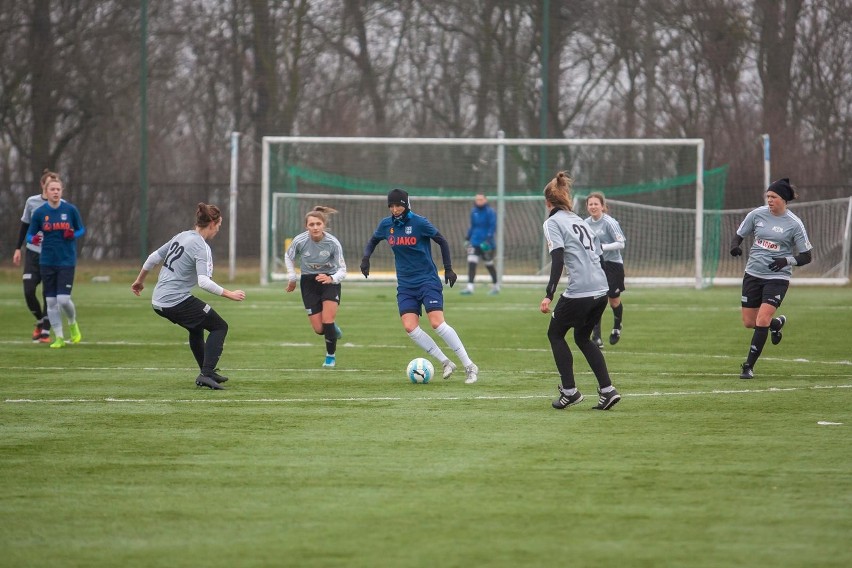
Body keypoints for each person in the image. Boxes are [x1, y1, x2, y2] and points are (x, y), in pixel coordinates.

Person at [360, 188, 479, 384]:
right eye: (391, 205)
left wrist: (448, 269)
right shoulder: (386, 225)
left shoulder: (419, 222)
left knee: (436, 323)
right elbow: (373, 241)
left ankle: (469, 366)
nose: (395, 209)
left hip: (427, 280)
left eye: (398, 205)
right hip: (405, 285)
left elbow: (442, 241)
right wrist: (366, 258)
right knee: (410, 327)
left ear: (406, 205)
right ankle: (446, 362)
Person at [131, 203, 246, 390]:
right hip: (174, 300)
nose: (218, 229)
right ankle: (206, 374)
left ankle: (207, 370)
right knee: (219, 326)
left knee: (197, 328)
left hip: (159, 300)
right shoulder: (202, 247)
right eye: (219, 226)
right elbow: (204, 282)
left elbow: (153, 257)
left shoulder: (182, 235)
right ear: (212, 224)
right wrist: (229, 294)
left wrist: (139, 280)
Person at [540, 171, 621, 410]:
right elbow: (598, 254)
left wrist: (549, 293)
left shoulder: (552, 222)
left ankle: (570, 391)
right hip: (601, 288)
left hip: (581, 290)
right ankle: (607, 390)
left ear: (547, 203)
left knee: (555, 334)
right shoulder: (577, 219)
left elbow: (557, 258)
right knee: (582, 337)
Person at [730, 178, 813, 380]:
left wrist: (786, 260)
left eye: (773, 197)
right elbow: (739, 234)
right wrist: (735, 246)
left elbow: (806, 256)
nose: (769, 200)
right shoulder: (756, 215)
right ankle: (775, 325)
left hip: (777, 278)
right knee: (750, 322)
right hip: (753, 274)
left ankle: (748, 366)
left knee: (762, 318)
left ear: (783, 199)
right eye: (767, 196)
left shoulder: (794, 224)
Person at [25, 172, 85, 348]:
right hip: (46, 261)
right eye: (52, 189)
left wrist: (72, 234)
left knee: (63, 300)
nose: (56, 192)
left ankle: (73, 324)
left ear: (62, 191)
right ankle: (58, 337)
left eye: (58, 189)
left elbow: (81, 230)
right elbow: (30, 234)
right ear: (46, 191)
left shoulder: (70, 210)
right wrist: (32, 240)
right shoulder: (39, 213)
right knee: (51, 301)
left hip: (66, 261)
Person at [285, 206, 347, 368]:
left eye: (318, 224)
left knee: (327, 320)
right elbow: (288, 256)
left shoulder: (333, 243)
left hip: (329, 282)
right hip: (308, 283)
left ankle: (330, 357)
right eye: (311, 224)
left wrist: (331, 278)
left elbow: (343, 269)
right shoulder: (299, 241)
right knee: (320, 329)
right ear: (306, 226)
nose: (315, 227)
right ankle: (333, 329)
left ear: (324, 225)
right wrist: (292, 277)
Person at [12, 169, 56, 343]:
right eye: (50, 184)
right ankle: (40, 321)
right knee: (29, 291)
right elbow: (25, 227)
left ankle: (45, 330)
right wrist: (17, 248)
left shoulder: (62, 206)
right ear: (43, 185)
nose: (53, 189)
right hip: (33, 253)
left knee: (48, 294)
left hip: (52, 256)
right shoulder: (32, 202)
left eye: (56, 185)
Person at [584, 192, 627, 347]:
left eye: (596, 204)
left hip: (613, 264)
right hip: (596, 265)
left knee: (613, 300)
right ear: (587, 207)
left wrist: (602, 247)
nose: (593, 206)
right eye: (590, 204)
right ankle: (597, 337)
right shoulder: (585, 223)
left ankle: (617, 326)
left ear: (602, 206)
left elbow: (621, 243)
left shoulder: (609, 222)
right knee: (596, 298)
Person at [460, 193, 499, 296]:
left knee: (489, 264)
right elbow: (472, 226)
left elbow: (492, 227)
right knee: (471, 263)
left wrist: (487, 240)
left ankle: (496, 286)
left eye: (481, 199)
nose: (479, 201)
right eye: (477, 199)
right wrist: (467, 238)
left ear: (485, 200)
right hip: (474, 242)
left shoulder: (490, 212)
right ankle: (470, 287)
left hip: (486, 243)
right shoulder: (474, 211)